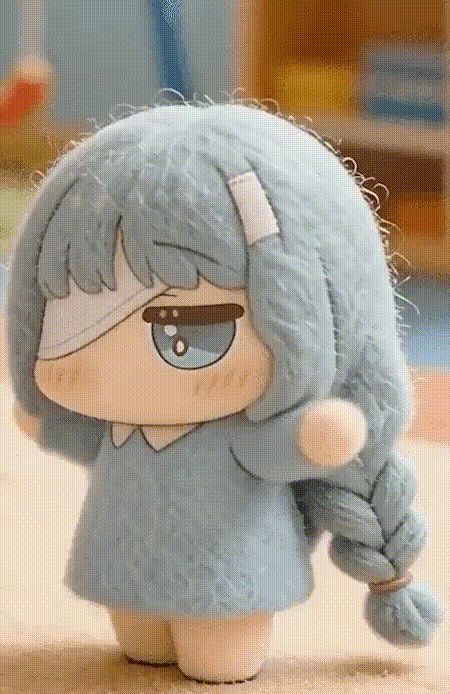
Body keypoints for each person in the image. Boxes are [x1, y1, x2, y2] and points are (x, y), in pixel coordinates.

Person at [7, 102, 441, 684]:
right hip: (120, 561)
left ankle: (216, 643)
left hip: (230, 572)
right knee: (140, 636)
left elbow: (279, 451)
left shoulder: (238, 436)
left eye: (190, 332)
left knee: (218, 652)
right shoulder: (120, 426)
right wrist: (50, 424)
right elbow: (86, 442)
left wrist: (314, 437)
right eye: (67, 323)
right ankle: (149, 628)